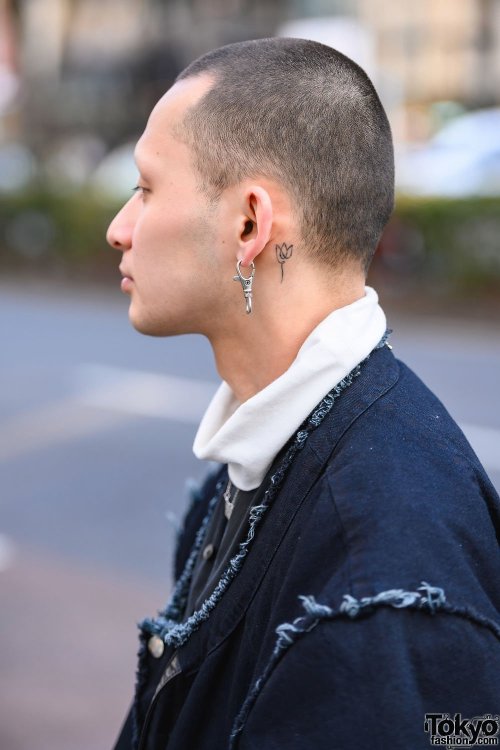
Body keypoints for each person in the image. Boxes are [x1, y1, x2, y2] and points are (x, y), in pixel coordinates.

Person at [106, 38, 500, 750]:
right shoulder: (269, 458)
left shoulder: (381, 566)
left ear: (250, 224)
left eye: (146, 187)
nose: (119, 228)